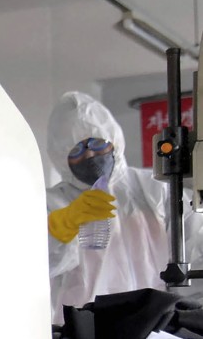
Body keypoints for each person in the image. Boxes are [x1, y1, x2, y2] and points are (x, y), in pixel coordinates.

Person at [45, 91, 203, 323]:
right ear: (61, 157)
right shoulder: (54, 204)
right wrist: (61, 228)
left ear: (113, 141)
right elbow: (32, 266)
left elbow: (196, 237)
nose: (90, 155)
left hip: (155, 323)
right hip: (85, 333)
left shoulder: (154, 189)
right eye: (77, 151)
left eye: (97, 145)